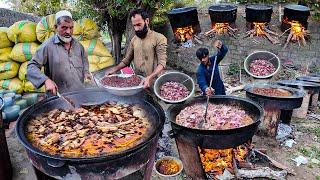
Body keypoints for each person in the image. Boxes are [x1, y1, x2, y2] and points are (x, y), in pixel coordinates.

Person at [27, 10, 92, 94]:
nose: (68, 32)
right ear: (55, 27)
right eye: (64, 27)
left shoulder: (78, 46)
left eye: (71, 28)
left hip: (79, 94)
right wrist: (45, 80)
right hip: (59, 98)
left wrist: (86, 73)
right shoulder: (48, 46)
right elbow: (31, 67)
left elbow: (84, 61)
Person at [105, 9, 167, 88]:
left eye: (139, 24)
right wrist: (115, 69)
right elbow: (127, 60)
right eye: (134, 25)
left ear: (147, 21)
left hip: (154, 81)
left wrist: (150, 77)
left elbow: (162, 63)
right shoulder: (134, 40)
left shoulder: (159, 38)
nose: (136, 29)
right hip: (138, 81)